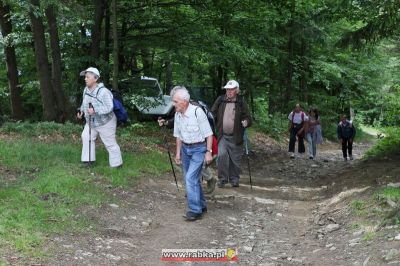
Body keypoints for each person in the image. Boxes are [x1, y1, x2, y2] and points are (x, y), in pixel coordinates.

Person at [158, 87, 218, 194]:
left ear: (183, 98)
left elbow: (208, 131)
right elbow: (178, 121)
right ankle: (194, 192)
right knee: (191, 171)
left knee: (195, 171)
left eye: (175, 99)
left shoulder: (196, 108)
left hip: (204, 142)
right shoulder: (181, 107)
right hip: (190, 145)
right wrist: (166, 123)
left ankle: (206, 182)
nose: (173, 103)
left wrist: (208, 151)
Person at [172, 86, 213, 221]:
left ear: (184, 101)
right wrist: (178, 154)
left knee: (190, 178)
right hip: (185, 149)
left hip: (199, 149)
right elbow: (178, 136)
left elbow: (209, 134)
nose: (174, 104)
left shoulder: (197, 112)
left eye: (176, 101)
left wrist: (208, 152)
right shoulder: (177, 114)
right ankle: (201, 204)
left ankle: (195, 210)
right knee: (191, 179)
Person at [77, 67, 123, 168]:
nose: (85, 79)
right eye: (85, 77)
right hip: (91, 122)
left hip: (106, 122)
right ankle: (88, 161)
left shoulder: (104, 92)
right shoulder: (86, 90)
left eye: (88, 77)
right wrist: (81, 111)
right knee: (86, 137)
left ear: (95, 78)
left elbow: (109, 107)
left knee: (110, 143)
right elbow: (84, 103)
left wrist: (95, 110)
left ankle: (117, 165)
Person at [211, 80, 252, 188]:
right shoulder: (220, 100)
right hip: (222, 135)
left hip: (236, 136)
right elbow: (212, 113)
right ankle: (223, 179)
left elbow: (248, 117)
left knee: (235, 159)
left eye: (231, 89)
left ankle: (234, 179)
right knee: (221, 155)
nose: (229, 91)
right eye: (227, 89)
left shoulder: (241, 102)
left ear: (237, 90)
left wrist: (246, 122)